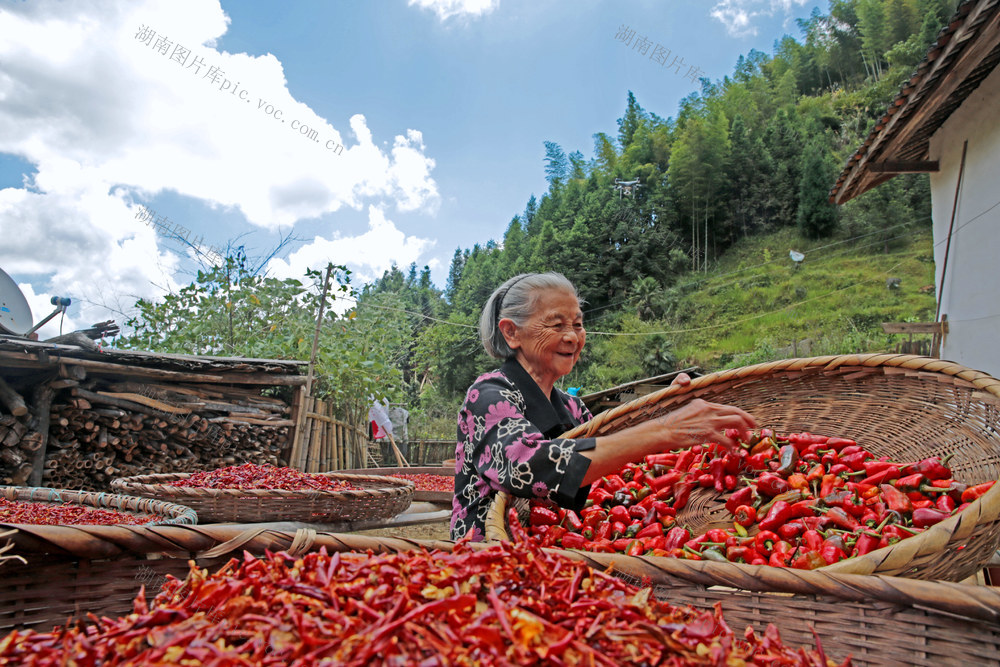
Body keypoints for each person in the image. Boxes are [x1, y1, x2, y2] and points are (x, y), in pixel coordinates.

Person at [450, 272, 757, 541]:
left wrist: (665, 408)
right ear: (511, 332)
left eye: (578, 324)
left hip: (554, 554)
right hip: (488, 557)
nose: (572, 336)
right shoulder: (489, 394)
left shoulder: (572, 407)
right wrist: (666, 427)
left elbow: (616, 454)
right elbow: (528, 466)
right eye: (556, 324)